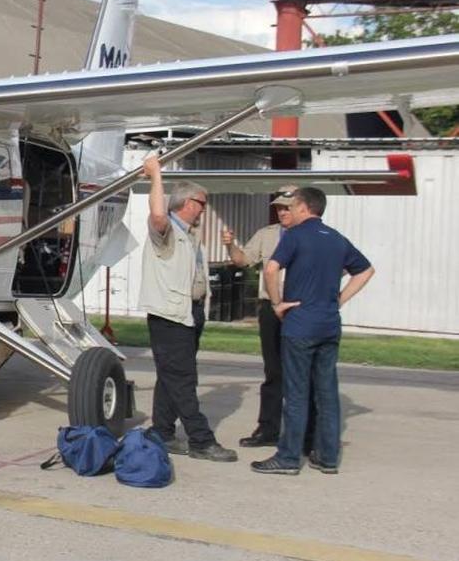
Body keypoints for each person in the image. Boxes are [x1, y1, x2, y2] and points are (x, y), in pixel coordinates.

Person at [252, 187, 374, 475]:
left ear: (304, 207)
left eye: (292, 206)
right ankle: (327, 456)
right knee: (327, 392)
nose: (289, 211)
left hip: (300, 324)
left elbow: (271, 269)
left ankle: (288, 457)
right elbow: (366, 270)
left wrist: (277, 304)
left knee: (296, 393)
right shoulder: (336, 238)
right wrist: (339, 300)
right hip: (329, 324)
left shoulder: (294, 236)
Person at [139, 156, 237, 462]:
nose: (204, 210)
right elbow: (157, 213)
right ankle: (201, 440)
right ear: (188, 202)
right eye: (202, 203)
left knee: (170, 376)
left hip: (190, 312)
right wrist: (156, 174)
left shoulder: (189, 236)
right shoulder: (166, 230)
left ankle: (162, 431)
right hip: (170, 316)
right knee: (183, 379)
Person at [223, 185, 313, 449]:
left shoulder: (313, 235)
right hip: (271, 309)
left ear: (301, 207)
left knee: (303, 371)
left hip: (300, 308)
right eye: (279, 208)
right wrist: (230, 245)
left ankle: (307, 433)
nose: (283, 212)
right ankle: (268, 429)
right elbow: (242, 260)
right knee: (273, 371)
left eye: (288, 207)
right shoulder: (267, 234)